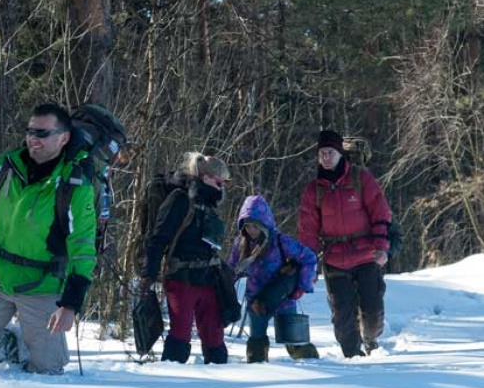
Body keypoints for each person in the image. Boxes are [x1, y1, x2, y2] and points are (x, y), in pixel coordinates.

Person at [0, 103, 97, 374]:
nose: (33, 138)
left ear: (64, 137)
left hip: (43, 285)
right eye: (30, 131)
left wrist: (70, 304)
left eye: (43, 133)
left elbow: (82, 248)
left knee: (48, 368)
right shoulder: (7, 166)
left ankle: (34, 346)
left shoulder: (74, 184)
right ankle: (13, 344)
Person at [298, 130, 391, 358]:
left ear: (340, 154)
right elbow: (308, 232)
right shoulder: (314, 190)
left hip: (366, 254)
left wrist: (381, 247)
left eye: (330, 152)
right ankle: (352, 356)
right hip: (334, 258)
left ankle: (370, 338)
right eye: (321, 154)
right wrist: (309, 266)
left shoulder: (361, 179)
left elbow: (380, 212)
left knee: (372, 312)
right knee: (342, 314)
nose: (326, 157)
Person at [140, 152, 230, 364]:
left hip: (208, 279)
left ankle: (222, 386)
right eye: (220, 181)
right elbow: (158, 238)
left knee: (214, 337)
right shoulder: (179, 199)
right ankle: (171, 379)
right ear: (207, 178)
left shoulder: (209, 205)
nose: (223, 186)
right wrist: (148, 274)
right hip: (181, 278)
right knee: (180, 335)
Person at [228, 195, 319, 363]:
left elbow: (309, 258)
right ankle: (258, 371)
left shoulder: (280, 242)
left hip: (283, 297)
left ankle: (317, 363)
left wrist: (301, 287)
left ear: (265, 224)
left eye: (255, 226)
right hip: (257, 301)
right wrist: (224, 288)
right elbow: (231, 270)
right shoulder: (241, 244)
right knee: (256, 343)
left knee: (295, 343)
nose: (252, 230)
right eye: (248, 226)